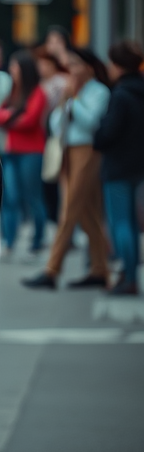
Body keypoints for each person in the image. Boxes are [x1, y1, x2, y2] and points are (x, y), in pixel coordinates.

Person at [24, 47, 112, 289]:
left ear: (89, 67)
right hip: (67, 150)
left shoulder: (99, 91)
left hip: (87, 150)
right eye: (70, 64)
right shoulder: (72, 90)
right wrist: (67, 101)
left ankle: (51, 270)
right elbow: (55, 123)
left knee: (69, 209)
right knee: (88, 213)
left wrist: (74, 102)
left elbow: (91, 122)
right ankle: (100, 269)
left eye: (76, 64)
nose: (72, 69)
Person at [93, 41, 144, 295]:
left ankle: (128, 275)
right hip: (139, 165)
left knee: (121, 223)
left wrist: (98, 134)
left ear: (118, 65)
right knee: (133, 224)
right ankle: (131, 273)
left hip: (118, 165)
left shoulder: (121, 94)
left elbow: (108, 133)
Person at [0, 49, 49, 255]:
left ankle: (38, 240)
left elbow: (30, 121)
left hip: (31, 152)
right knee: (10, 196)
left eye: (14, 66)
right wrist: (12, 116)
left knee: (33, 196)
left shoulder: (38, 92)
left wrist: (8, 118)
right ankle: (9, 241)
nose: (11, 70)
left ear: (24, 68)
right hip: (11, 151)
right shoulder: (12, 91)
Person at [34, 47, 69, 222]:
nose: (41, 67)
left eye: (44, 64)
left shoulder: (62, 83)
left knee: (57, 179)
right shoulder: (39, 84)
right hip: (43, 134)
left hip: (57, 135)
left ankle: (60, 219)